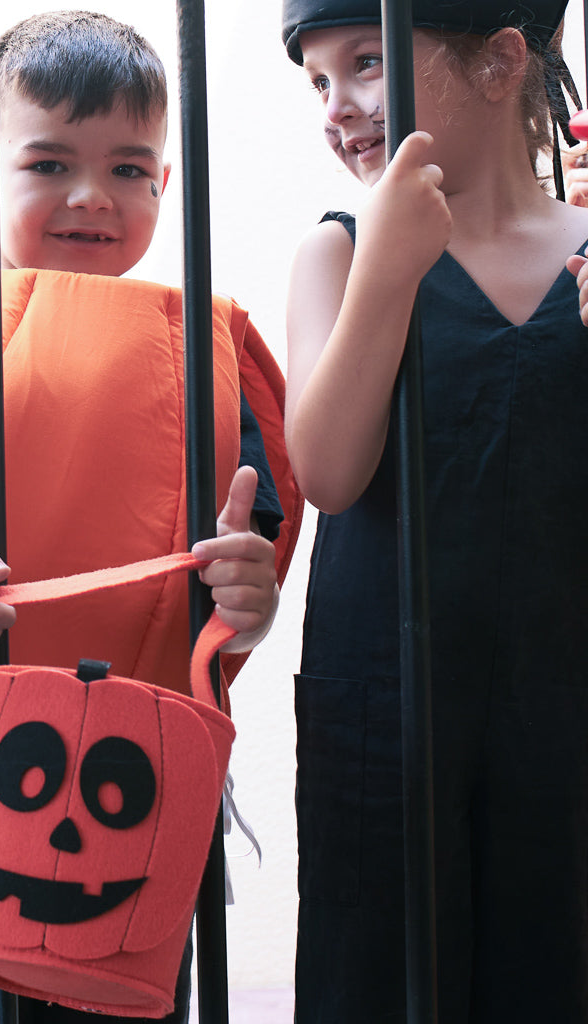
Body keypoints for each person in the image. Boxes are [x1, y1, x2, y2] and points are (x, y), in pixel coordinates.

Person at [0, 11, 298, 1024]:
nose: (91, 195)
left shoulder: (215, 347)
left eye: (129, 167)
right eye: (48, 162)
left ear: (165, 184)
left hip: (140, 780)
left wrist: (250, 595)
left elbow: (238, 588)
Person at [281, 0, 588, 1019]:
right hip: (386, 717)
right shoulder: (336, 253)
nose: (338, 107)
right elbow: (327, 470)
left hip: (562, 709)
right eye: (317, 80)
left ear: (502, 61)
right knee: (385, 973)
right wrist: (386, 266)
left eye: (366, 62)